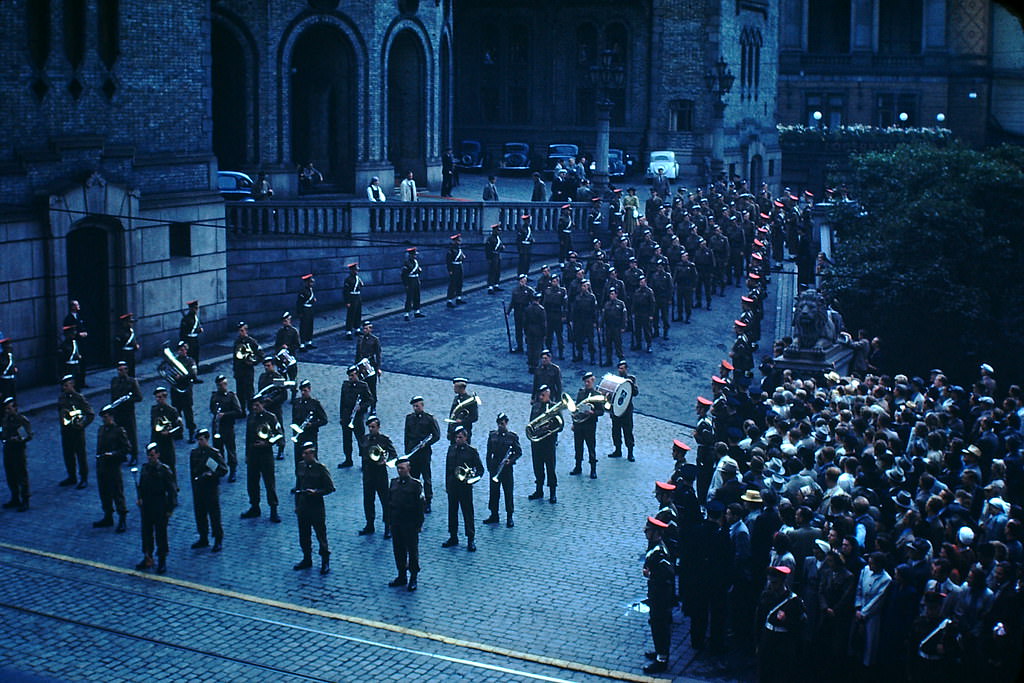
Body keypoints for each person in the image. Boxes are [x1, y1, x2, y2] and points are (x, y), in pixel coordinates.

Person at [755, 565, 805, 681]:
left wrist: (786, 621)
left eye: (775, 582)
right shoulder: (766, 596)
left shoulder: (794, 601)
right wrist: (758, 642)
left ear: (783, 581)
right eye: (770, 582)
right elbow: (758, 620)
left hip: (783, 643)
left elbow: (801, 625)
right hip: (767, 639)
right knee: (764, 673)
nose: (772, 585)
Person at [134, 442, 177, 574]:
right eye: (148, 455)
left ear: (158, 455)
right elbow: (141, 486)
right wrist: (140, 498)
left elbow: (172, 491)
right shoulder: (145, 468)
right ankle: (148, 556)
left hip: (160, 505)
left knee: (160, 534)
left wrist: (169, 509)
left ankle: (162, 560)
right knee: (146, 533)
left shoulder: (164, 470)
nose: (150, 457)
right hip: (147, 505)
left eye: (152, 455)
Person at [292, 442, 335, 574]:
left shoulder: (321, 468)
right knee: (304, 535)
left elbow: (330, 488)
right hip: (303, 506)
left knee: (320, 535)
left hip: (316, 506)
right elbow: (298, 486)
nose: (304, 456)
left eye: (307, 453)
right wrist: (297, 505)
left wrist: (316, 492)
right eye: (303, 453)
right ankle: (307, 558)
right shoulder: (300, 466)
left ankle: (325, 560)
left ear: (312, 454)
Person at [441, 426, 483, 551]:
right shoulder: (451, 449)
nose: (458, 439)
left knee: (467, 512)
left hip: (465, 486)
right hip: (453, 485)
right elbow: (448, 469)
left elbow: (480, 470)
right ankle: (453, 536)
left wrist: (471, 478)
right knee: (452, 512)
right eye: (456, 437)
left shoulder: (472, 451)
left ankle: (471, 538)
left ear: (466, 438)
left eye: (460, 437)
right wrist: (447, 485)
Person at [642, 516, 675, 674]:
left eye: (648, 530)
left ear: (655, 532)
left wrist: (651, 574)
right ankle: (659, 651)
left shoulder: (659, 551)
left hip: (661, 593)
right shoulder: (654, 546)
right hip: (656, 591)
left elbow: (668, 572)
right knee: (655, 623)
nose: (645, 531)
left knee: (660, 624)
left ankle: (662, 659)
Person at [240, 396, 282, 522]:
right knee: (252, 482)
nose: (255, 408)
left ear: (262, 405)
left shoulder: (271, 417)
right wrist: (247, 454)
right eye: (253, 406)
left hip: (266, 454)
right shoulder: (251, 417)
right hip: (253, 454)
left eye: (257, 405)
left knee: (269, 482)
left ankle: (273, 509)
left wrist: (268, 443)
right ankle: (254, 506)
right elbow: (248, 437)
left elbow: (279, 435)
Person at [388, 456, 425, 590]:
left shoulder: (415, 485)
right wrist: (389, 522)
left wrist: (419, 524)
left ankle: (413, 577)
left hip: (410, 524)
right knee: (398, 551)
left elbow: (420, 506)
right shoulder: (393, 483)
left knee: (412, 552)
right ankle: (401, 575)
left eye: (402, 468)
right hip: (397, 522)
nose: (400, 471)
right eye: (398, 468)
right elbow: (389, 503)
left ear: (409, 469)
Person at [93, 404, 130, 532]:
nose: (104, 419)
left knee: (117, 493)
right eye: (103, 417)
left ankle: (122, 519)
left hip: (113, 467)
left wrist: (114, 454)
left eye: (106, 416)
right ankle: (108, 516)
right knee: (104, 493)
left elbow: (126, 448)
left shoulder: (119, 430)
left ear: (111, 416)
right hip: (102, 466)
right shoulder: (101, 429)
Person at [189, 428, 227, 552]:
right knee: (200, 515)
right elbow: (192, 472)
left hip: (211, 489)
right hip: (199, 489)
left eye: (202, 440)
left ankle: (218, 539)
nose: (200, 442)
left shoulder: (213, 453)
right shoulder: (194, 453)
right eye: (198, 440)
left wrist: (212, 475)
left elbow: (223, 470)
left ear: (207, 439)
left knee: (214, 516)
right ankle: (203, 537)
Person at [360, 415, 396, 536]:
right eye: (369, 427)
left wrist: (385, 461)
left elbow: (393, 455)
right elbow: (363, 455)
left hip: (380, 473)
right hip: (368, 473)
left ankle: (388, 526)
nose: (371, 429)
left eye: (373, 427)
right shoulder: (364, 439)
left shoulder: (384, 439)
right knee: (368, 500)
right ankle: (369, 524)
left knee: (385, 501)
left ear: (378, 427)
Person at [484, 413, 521, 528]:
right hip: (495, 467)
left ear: (506, 422)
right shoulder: (493, 435)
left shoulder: (512, 437)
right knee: (494, 493)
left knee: (508, 492)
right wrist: (490, 467)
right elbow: (489, 452)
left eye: (503, 422)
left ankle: (509, 516)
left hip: (507, 469)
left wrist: (511, 460)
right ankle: (494, 514)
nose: (501, 425)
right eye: (499, 422)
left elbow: (518, 452)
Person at [404, 395, 440, 514]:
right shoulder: (409, 418)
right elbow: (407, 435)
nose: (415, 408)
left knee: (426, 478)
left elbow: (436, 435)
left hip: (424, 453)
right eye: (414, 406)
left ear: (422, 406)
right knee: (413, 477)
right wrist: (407, 452)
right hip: (413, 452)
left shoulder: (429, 419)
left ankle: (428, 501)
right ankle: (414, 499)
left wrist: (427, 443)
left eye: (417, 406)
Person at [57, 374, 94, 489]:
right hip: (66, 430)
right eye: (63, 386)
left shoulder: (79, 398)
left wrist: (83, 424)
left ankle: (84, 478)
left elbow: (90, 414)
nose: (64, 388)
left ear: (72, 385)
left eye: (67, 385)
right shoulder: (62, 398)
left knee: (80, 455)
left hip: (77, 431)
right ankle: (71, 476)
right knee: (68, 454)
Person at [527, 385, 560, 503]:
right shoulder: (535, 406)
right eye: (540, 395)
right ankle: (539, 490)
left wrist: (548, 427)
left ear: (548, 394)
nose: (540, 397)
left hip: (548, 442)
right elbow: (531, 423)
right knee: (538, 467)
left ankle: (552, 493)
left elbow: (560, 425)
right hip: (537, 442)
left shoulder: (554, 407)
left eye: (543, 395)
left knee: (550, 467)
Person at [209, 374, 243, 482]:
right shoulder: (214, 396)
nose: (222, 387)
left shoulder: (231, 396)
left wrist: (225, 414)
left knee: (230, 450)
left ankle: (233, 470)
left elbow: (238, 412)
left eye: (224, 384)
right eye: (220, 385)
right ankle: (220, 469)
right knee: (218, 450)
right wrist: (216, 414)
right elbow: (212, 408)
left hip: (228, 427)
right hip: (217, 427)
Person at [338, 364, 372, 468]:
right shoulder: (345, 385)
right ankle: (348, 459)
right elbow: (342, 402)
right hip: (347, 416)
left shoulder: (363, 386)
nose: (350, 378)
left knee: (361, 440)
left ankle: (364, 461)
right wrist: (341, 417)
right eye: (349, 376)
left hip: (357, 417)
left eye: (352, 375)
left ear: (357, 374)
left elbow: (370, 400)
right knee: (346, 440)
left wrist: (361, 407)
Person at [571, 371, 604, 479]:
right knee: (578, 446)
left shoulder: (597, 395)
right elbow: (576, 409)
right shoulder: (581, 393)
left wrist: (593, 413)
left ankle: (593, 469)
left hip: (590, 425)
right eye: (585, 382)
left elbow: (601, 411)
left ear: (593, 381)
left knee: (591, 447)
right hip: (580, 424)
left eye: (588, 381)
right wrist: (574, 423)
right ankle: (578, 466)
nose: (586, 384)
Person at [1, 397, 32, 511]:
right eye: (6, 409)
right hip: (8, 449)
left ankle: (25, 499)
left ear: (15, 408)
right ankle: (15, 497)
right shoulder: (5, 419)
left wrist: (19, 438)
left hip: (18, 450)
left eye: (10, 408)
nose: (7, 411)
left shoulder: (21, 419)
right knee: (10, 475)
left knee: (21, 475)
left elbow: (29, 435)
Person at [110, 361, 142, 464]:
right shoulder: (114, 381)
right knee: (118, 433)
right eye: (119, 370)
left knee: (131, 434)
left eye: (123, 369)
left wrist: (127, 399)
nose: (121, 372)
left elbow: (139, 397)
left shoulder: (132, 381)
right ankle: (121, 454)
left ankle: (134, 455)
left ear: (127, 370)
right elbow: (112, 395)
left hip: (128, 411)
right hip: (117, 411)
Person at [290, 379, 328, 466]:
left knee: (312, 460)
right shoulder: (296, 402)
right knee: (299, 461)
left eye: (305, 390)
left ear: (309, 390)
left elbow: (324, 420)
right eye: (302, 391)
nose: (303, 393)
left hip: (310, 435)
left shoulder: (315, 404)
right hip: (299, 437)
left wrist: (312, 424)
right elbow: (294, 419)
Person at [608, 360, 639, 461]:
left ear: (626, 369)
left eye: (622, 368)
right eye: (619, 368)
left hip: (626, 411)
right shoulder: (615, 380)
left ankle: (630, 453)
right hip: (616, 411)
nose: (620, 370)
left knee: (628, 432)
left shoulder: (631, 379)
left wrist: (631, 385)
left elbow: (635, 393)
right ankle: (618, 450)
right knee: (615, 432)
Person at [256, 357, 286, 460]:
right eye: (265, 366)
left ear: (273, 366)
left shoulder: (277, 378)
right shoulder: (263, 377)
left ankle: (281, 448)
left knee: (278, 427)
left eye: (268, 365)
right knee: (265, 427)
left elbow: (283, 395)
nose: (266, 367)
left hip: (275, 407)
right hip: (265, 407)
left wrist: (272, 400)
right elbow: (260, 391)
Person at [150, 386, 182, 478]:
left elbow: (179, 428)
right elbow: (153, 425)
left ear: (165, 397)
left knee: (170, 465)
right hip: (157, 440)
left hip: (167, 442)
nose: (158, 399)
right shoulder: (154, 409)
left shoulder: (172, 411)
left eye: (160, 397)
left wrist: (170, 433)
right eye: (157, 397)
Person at [171, 341, 199, 443]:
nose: (184, 351)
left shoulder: (190, 361)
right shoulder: (173, 362)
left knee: (188, 413)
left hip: (186, 390)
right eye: (181, 350)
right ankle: (178, 432)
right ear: (178, 351)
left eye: (184, 349)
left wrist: (181, 377)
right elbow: (170, 373)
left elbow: (193, 374)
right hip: (176, 390)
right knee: (176, 412)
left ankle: (192, 433)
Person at [232, 322, 263, 410]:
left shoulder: (252, 342)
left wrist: (253, 362)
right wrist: (235, 371)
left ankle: (252, 410)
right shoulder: (237, 342)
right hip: (239, 371)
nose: (241, 333)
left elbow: (261, 355)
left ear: (246, 331)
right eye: (240, 331)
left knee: (249, 392)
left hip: (248, 371)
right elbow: (235, 358)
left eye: (243, 330)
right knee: (240, 392)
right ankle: (242, 410)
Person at [355, 320, 382, 408]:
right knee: (362, 386)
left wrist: (378, 368)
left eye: (367, 328)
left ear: (371, 329)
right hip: (361, 364)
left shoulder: (375, 340)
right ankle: (364, 405)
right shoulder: (360, 339)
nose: (365, 330)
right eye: (364, 328)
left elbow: (378, 355)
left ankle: (373, 407)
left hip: (370, 364)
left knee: (372, 387)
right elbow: (357, 353)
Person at [571, 280, 598, 364]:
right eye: (582, 286)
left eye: (585, 286)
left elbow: (594, 310)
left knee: (590, 339)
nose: (583, 288)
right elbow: (574, 310)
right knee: (578, 338)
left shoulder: (591, 297)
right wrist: (573, 320)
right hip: (579, 320)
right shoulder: (577, 297)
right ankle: (580, 354)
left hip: (588, 320)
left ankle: (592, 356)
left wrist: (595, 321)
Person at [62, 300, 89, 387]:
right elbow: (69, 332)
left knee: (82, 363)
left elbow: (82, 327)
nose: (79, 306)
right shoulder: (68, 318)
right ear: (72, 307)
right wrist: (78, 334)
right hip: (74, 343)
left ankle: (82, 381)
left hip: (81, 343)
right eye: (77, 305)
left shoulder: (78, 316)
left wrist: (84, 332)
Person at [542, 274, 567, 359]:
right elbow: (544, 303)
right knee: (549, 335)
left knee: (559, 335)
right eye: (553, 281)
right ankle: (549, 352)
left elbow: (565, 305)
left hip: (558, 314)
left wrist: (564, 315)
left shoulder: (562, 291)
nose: (554, 283)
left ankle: (561, 353)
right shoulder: (547, 291)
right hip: (549, 315)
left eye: (556, 281)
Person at [447, 378, 479, 443]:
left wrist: (462, 421)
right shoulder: (456, 399)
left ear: (461, 388)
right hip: (454, 431)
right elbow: (452, 415)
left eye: (456, 387)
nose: (454, 389)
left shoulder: (470, 400)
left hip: (465, 432)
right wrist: (449, 430)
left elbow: (474, 417)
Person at [509, 274, 535, 354]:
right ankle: (519, 346)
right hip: (517, 311)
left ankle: (529, 347)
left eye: (524, 281)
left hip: (525, 311)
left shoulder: (529, 290)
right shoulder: (515, 290)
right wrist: (508, 311)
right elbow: (512, 302)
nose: (522, 282)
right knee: (518, 330)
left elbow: (533, 302)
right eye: (521, 281)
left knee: (527, 330)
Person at [274, 312, 301, 390]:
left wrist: (288, 347)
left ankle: (294, 392)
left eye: (286, 321)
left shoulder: (294, 331)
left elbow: (297, 345)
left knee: (292, 377)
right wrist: (276, 353)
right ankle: (280, 393)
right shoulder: (280, 332)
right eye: (284, 321)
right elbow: (276, 344)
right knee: (281, 377)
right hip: (281, 359)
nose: (285, 323)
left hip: (290, 357)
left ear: (290, 320)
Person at [602, 288, 627, 366]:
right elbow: (603, 315)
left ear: (616, 295)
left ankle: (621, 361)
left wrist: (623, 326)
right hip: (609, 327)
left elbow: (624, 316)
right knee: (608, 344)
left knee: (618, 344)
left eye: (613, 294)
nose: (611, 296)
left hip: (617, 327)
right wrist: (600, 325)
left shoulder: (621, 304)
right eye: (610, 294)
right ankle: (609, 360)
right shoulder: (607, 304)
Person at [631, 275, 656, 353]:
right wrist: (633, 312)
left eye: (643, 282)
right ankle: (638, 344)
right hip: (638, 313)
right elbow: (634, 303)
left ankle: (649, 345)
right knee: (637, 330)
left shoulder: (649, 292)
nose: (641, 283)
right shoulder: (637, 291)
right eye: (640, 282)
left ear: (645, 282)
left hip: (646, 313)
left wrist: (651, 315)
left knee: (647, 330)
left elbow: (652, 304)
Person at [523, 292, 547, 372]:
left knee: (530, 348)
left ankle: (530, 365)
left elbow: (525, 322)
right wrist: (544, 334)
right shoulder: (541, 309)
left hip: (530, 329)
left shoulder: (528, 308)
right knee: (537, 348)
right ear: (539, 299)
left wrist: (526, 332)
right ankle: (536, 365)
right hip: (538, 330)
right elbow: (543, 323)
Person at [401, 247, 424, 320]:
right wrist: (406, 284)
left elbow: (418, 271)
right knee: (409, 298)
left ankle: (417, 311)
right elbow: (403, 275)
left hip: (416, 279)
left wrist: (419, 270)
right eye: (414, 255)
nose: (415, 256)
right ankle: (406, 314)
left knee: (417, 296)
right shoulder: (407, 263)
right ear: (411, 255)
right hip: (410, 280)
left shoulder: (415, 262)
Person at [59, 324, 85, 389]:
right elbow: (62, 360)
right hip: (68, 368)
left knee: (77, 387)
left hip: (76, 368)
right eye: (72, 333)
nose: (74, 334)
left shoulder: (75, 342)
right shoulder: (64, 345)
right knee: (69, 387)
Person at [296, 274, 317, 350]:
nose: (312, 284)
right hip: (304, 310)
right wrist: (300, 313)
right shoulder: (303, 291)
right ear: (307, 282)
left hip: (310, 309)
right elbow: (299, 303)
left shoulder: (310, 290)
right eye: (310, 282)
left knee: (310, 326)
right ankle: (302, 344)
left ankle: (309, 342)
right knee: (304, 327)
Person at [445, 234, 467, 307]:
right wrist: (450, 270)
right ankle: (449, 300)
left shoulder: (458, 249)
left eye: (459, 240)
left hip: (459, 266)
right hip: (454, 267)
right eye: (458, 240)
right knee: (453, 284)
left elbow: (461, 257)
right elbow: (448, 261)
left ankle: (458, 298)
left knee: (460, 282)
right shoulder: (451, 250)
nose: (460, 241)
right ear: (455, 241)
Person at [343, 262, 363, 339]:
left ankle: (357, 328)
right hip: (352, 297)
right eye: (355, 270)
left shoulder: (358, 278)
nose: (356, 271)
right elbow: (345, 291)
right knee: (351, 314)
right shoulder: (348, 279)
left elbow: (361, 285)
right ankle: (348, 331)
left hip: (358, 297)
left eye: (357, 270)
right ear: (351, 270)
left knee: (358, 313)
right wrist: (347, 301)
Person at [179, 300, 203, 366]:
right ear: (191, 309)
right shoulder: (186, 319)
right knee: (189, 357)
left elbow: (198, 326)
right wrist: (184, 343)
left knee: (196, 356)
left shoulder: (196, 318)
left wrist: (199, 329)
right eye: (195, 308)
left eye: (197, 308)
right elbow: (183, 332)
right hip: (188, 340)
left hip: (195, 339)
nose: (196, 310)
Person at [484, 223, 504, 294]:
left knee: (497, 270)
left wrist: (502, 248)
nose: (499, 232)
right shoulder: (490, 239)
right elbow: (487, 249)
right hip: (492, 256)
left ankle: (496, 284)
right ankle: (490, 286)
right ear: (494, 231)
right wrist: (489, 258)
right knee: (492, 271)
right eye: (498, 230)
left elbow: (500, 246)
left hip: (497, 256)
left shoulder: (498, 238)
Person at [0, 334, 16, 402]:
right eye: (7, 346)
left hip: (12, 379)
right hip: (4, 381)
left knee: (13, 396)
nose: (10, 347)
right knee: (5, 398)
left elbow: (13, 364)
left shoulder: (10, 356)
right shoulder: (1, 357)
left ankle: (14, 410)